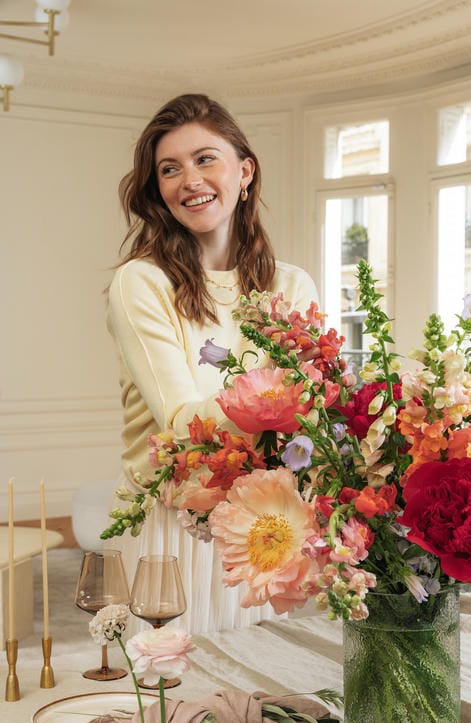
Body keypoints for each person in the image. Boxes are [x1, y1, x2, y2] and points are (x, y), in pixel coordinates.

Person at [106, 93, 319, 635]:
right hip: (174, 521)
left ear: (244, 171)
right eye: (169, 169)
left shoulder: (290, 285)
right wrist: (285, 399)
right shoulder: (143, 282)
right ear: (157, 190)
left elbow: (316, 408)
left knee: (265, 698)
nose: (189, 180)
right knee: (173, 699)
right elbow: (184, 425)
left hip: (269, 520)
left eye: (206, 159)